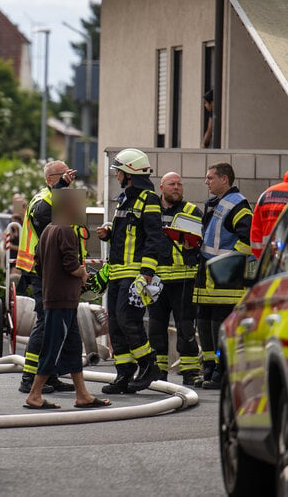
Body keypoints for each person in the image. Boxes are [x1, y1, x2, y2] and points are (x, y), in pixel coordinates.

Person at [25, 189, 112, 410]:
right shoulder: (66, 231)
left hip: (59, 298)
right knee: (53, 345)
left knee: (73, 346)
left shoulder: (48, 231)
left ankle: (82, 395)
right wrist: (83, 274)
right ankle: (34, 394)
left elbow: (39, 264)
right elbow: (71, 265)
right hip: (62, 299)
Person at [96, 148, 166, 394]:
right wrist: (109, 235)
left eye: (119, 172)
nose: (116, 176)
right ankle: (124, 373)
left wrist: (146, 272)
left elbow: (153, 238)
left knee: (128, 320)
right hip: (116, 274)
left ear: (130, 173)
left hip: (134, 274)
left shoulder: (150, 199)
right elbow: (127, 237)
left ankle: (148, 364)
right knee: (115, 325)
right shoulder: (124, 199)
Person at [15, 160, 80, 394]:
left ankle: (50, 375)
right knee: (44, 323)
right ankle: (29, 378)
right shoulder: (43, 200)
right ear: (51, 178)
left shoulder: (61, 198)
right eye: (65, 174)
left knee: (61, 326)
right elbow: (50, 230)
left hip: (57, 273)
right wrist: (61, 188)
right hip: (41, 272)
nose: (70, 177)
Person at [195, 162, 252, 390]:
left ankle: (222, 371)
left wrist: (228, 264)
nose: (207, 182)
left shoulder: (238, 205)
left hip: (224, 280)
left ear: (225, 179)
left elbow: (247, 239)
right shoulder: (216, 204)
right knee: (205, 325)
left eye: (210, 178)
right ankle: (209, 368)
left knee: (220, 327)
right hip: (207, 277)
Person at [151, 172, 203, 387]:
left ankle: (190, 371)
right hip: (155, 280)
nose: (177, 188)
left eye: (180, 184)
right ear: (161, 187)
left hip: (183, 279)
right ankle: (158, 372)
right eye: (172, 184)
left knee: (186, 328)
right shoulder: (151, 211)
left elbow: (201, 242)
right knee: (156, 328)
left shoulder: (191, 211)